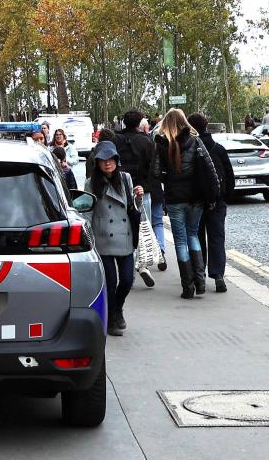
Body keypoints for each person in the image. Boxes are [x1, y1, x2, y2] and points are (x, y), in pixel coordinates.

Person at [155, 107, 223, 300]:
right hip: (195, 198)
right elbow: (210, 170)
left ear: (166, 124)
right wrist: (213, 196)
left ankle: (188, 286)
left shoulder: (161, 143)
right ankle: (200, 282)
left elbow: (155, 172)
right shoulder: (195, 141)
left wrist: (169, 176)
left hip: (175, 198)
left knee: (181, 241)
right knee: (193, 235)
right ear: (185, 122)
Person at [82, 141, 144, 337]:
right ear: (97, 163)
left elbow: (133, 208)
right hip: (103, 238)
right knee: (110, 282)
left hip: (125, 236)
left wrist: (139, 197)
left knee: (127, 280)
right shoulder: (91, 183)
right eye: (103, 160)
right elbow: (87, 212)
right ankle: (112, 318)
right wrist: (86, 239)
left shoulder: (125, 179)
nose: (107, 163)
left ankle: (118, 308)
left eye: (111, 159)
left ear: (117, 160)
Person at [112, 109, 166, 283]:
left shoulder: (115, 140)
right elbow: (154, 168)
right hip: (142, 190)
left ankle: (129, 268)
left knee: (124, 228)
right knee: (143, 227)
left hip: (119, 189)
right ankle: (141, 262)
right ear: (139, 123)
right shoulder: (146, 141)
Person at [190, 113, 235, 293]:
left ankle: (198, 275)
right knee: (217, 238)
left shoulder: (190, 149)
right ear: (206, 126)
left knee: (196, 238)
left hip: (196, 201)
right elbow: (230, 176)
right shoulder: (218, 148)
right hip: (217, 201)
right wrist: (224, 198)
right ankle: (218, 276)